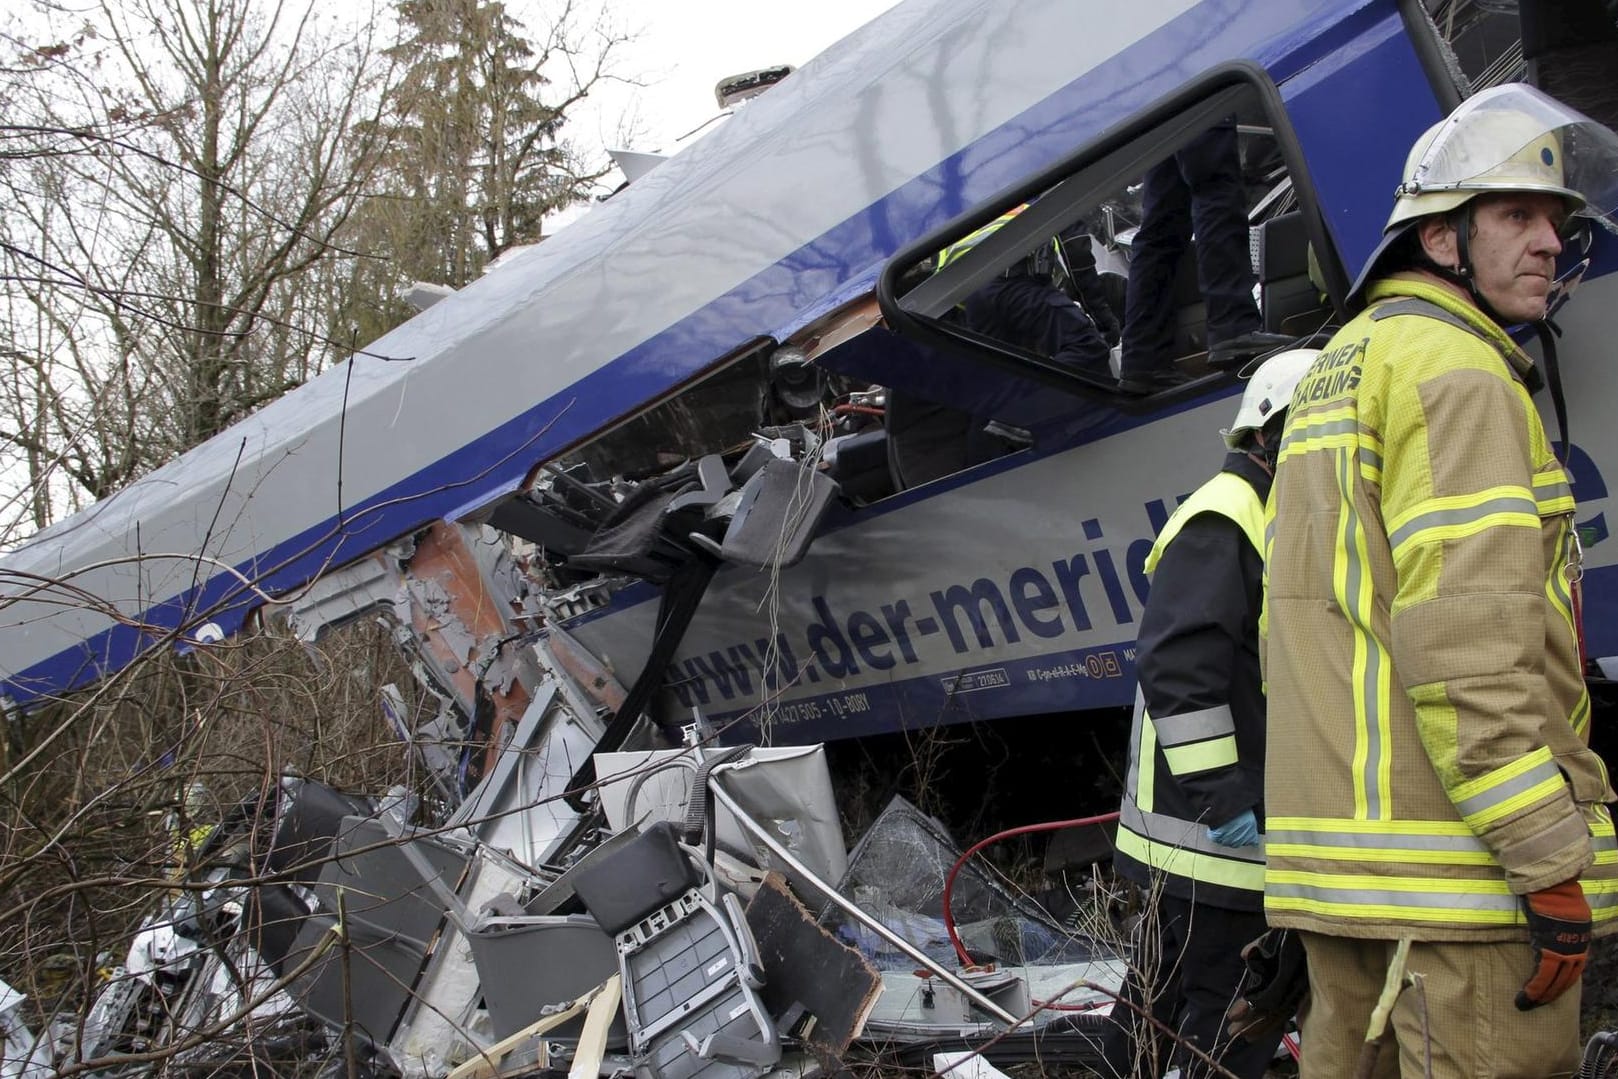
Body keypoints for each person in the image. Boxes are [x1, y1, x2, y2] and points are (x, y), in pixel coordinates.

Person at [1262, 83, 1618, 1078]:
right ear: (1441, 239)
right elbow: (1465, 647)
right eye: (1514, 215)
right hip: (1458, 886)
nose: (1547, 242)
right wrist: (1548, 857)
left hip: (1350, 880)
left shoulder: (1344, 361)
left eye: (1553, 221)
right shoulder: (1460, 372)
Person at [1100, 349, 1318, 1079]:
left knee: (1158, 1014)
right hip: (1215, 842)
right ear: (1269, 436)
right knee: (1231, 1026)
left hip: (1201, 844)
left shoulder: (1272, 515)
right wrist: (1227, 799)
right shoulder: (1229, 517)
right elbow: (1179, 674)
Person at [1116, 120, 1291, 395]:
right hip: (1188, 87)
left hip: (1158, 99)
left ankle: (1143, 360)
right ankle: (1233, 327)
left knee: (1163, 224)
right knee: (1216, 188)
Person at [937, 205, 1115, 379]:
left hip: (974, 303)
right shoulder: (1042, 197)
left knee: (1011, 372)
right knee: (1087, 346)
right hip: (1015, 283)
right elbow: (1076, 252)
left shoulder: (958, 218)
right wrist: (1102, 318)